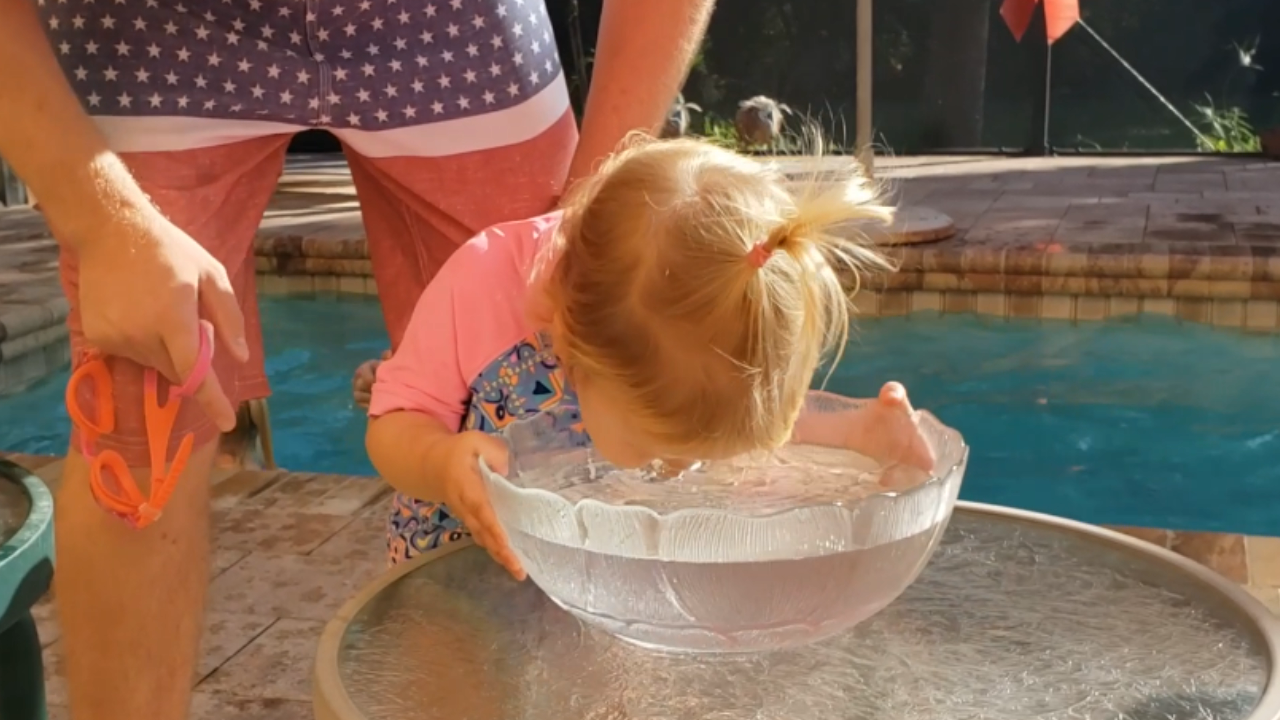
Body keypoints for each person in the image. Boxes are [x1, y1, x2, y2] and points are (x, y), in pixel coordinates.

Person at [0, 0, 715, 716]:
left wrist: (584, 213)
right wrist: (103, 223)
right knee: (137, 427)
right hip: (153, 31)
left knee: (557, 373)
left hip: (449, 24)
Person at [366, 136, 937, 577]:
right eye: (660, 449)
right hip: (455, 572)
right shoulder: (481, 284)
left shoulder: (696, 316)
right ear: (571, 346)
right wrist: (442, 465)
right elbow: (391, 425)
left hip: (582, 577)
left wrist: (858, 430)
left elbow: (726, 422)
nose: (677, 471)